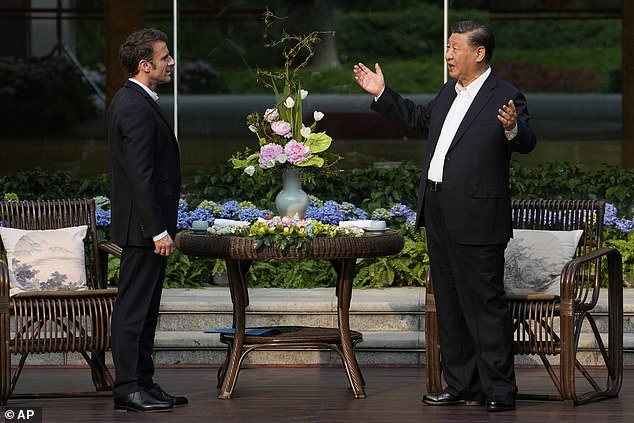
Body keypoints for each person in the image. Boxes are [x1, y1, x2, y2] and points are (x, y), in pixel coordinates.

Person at [354, 20, 536, 412]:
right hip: (437, 209)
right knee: (450, 305)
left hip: (477, 216)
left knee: (484, 306)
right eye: (447, 47)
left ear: (479, 52)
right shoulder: (449, 92)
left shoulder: (505, 96)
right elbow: (421, 120)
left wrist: (512, 129)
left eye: (455, 47)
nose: (448, 54)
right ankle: (462, 385)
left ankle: (500, 391)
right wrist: (382, 93)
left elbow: (527, 140)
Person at [107, 28, 186, 413]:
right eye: (165, 56)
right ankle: (126, 387)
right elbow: (140, 175)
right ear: (145, 65)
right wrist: (157, 230)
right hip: (143, 230)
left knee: (147, 310)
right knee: (133, 310)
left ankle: (144, 382)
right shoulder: (134, 105)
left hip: (148, 228)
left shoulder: (138, 100)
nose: (170, 62)